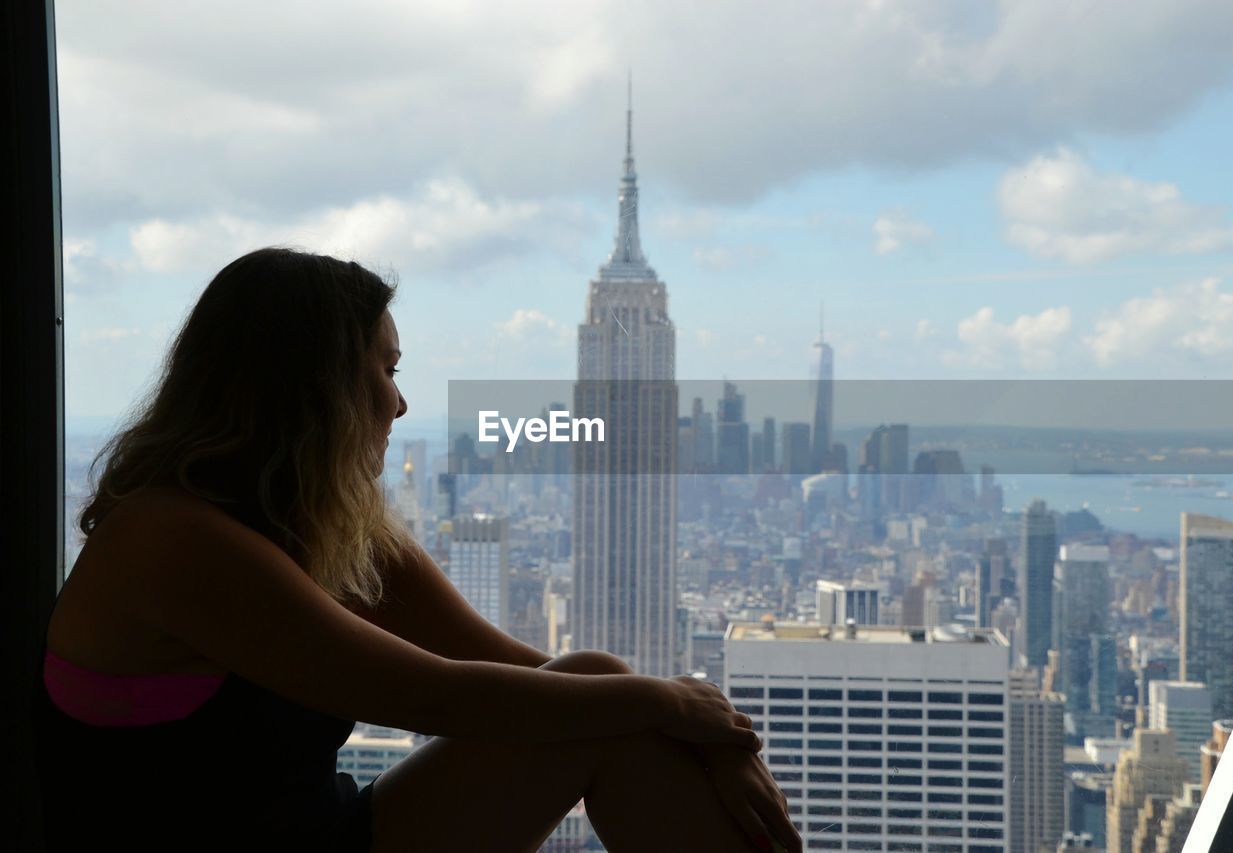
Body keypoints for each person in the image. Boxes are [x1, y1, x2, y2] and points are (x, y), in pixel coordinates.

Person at [34, 247, 802, 853]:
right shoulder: (169, 540)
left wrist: (712, 735)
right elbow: (440, 695)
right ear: (314, 382)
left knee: (604, 692)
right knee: (614, 698)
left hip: (331, 835)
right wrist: (667, 701)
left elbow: (517, 668)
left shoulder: (324, 526)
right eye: (386, 369)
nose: (400, 402)